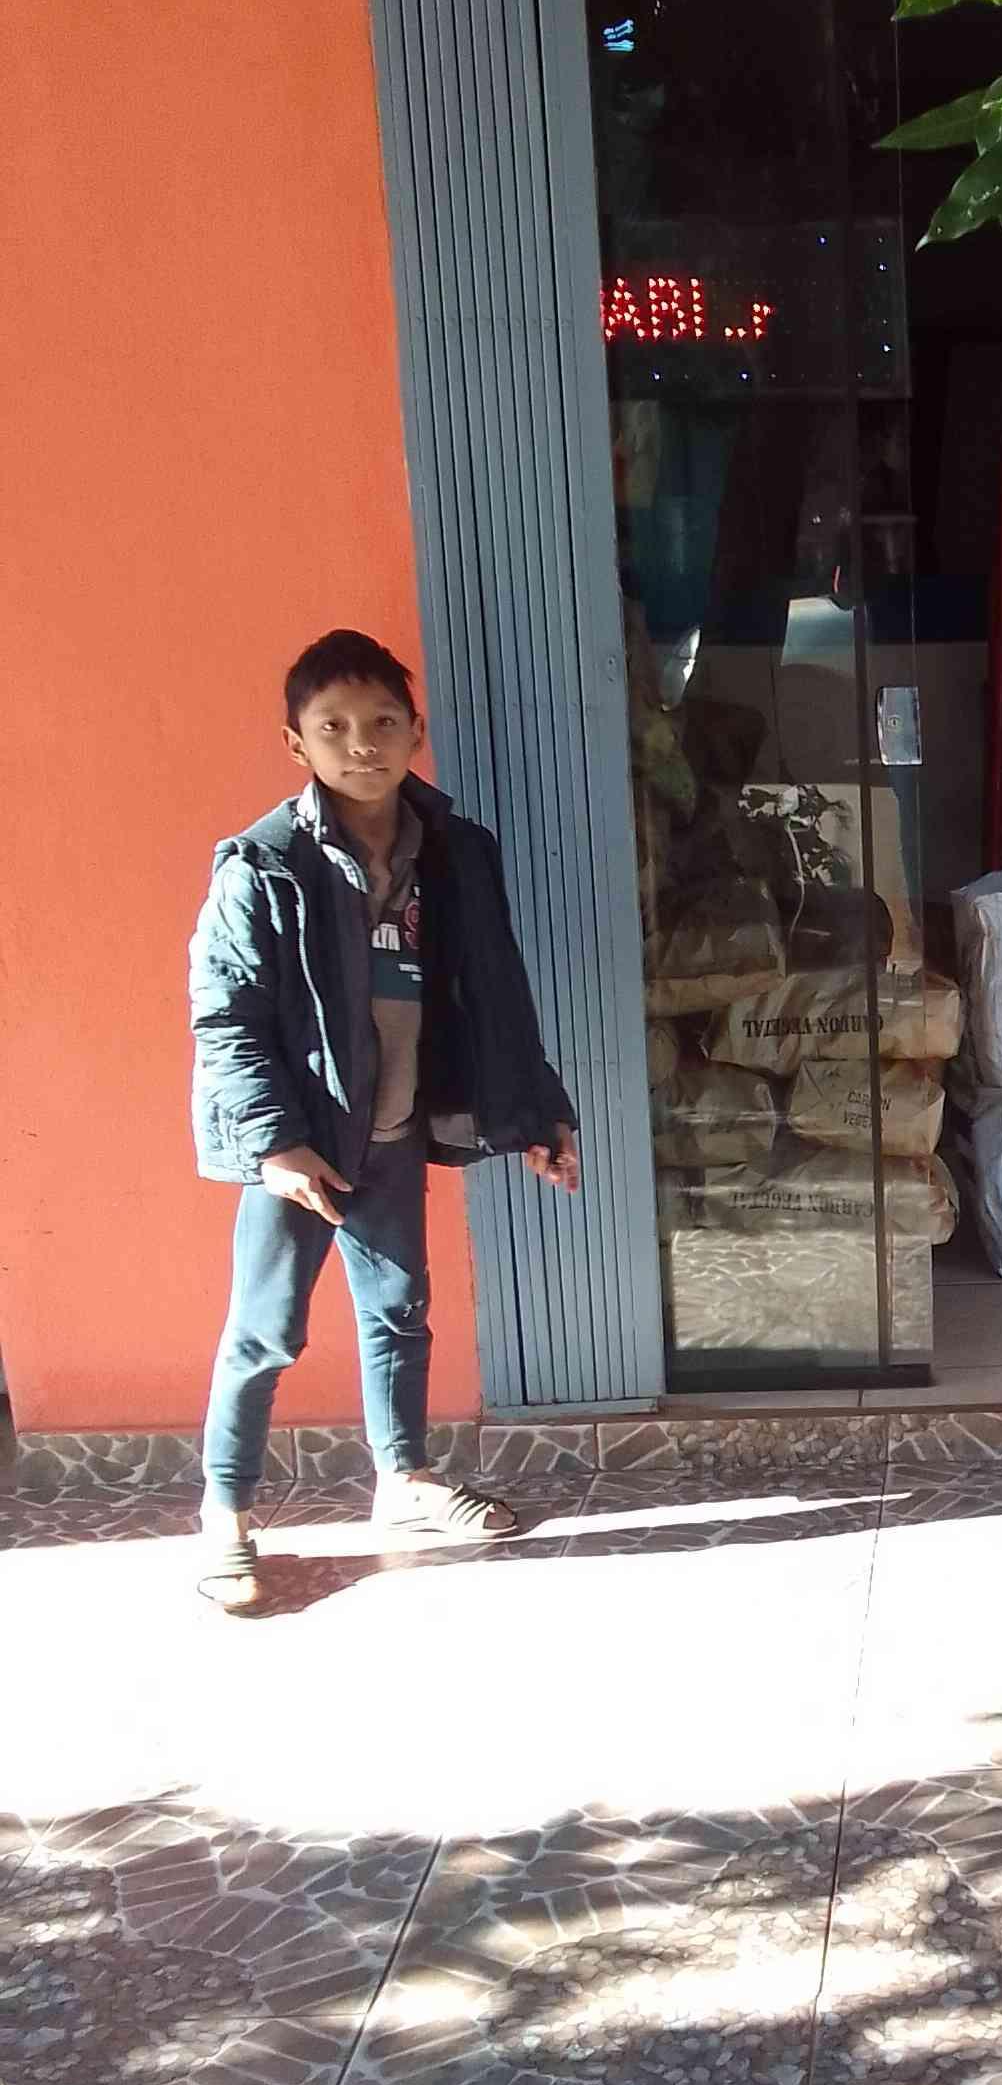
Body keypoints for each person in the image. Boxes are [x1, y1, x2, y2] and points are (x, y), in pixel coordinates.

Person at [188, 631, 581, 1611]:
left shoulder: (456, 851)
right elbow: (226, 1016)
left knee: (399, 1310)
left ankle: (403, 1480)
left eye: (382, 722)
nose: (361, 743)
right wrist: (276, 1144)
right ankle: (225, 1515)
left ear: (417, 732)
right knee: (266, 1333)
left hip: (396, 1132)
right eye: (333, 727)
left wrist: (538, 1110)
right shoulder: (264, 864)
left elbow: (497, 993)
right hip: (303, 1147)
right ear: (296, 744)